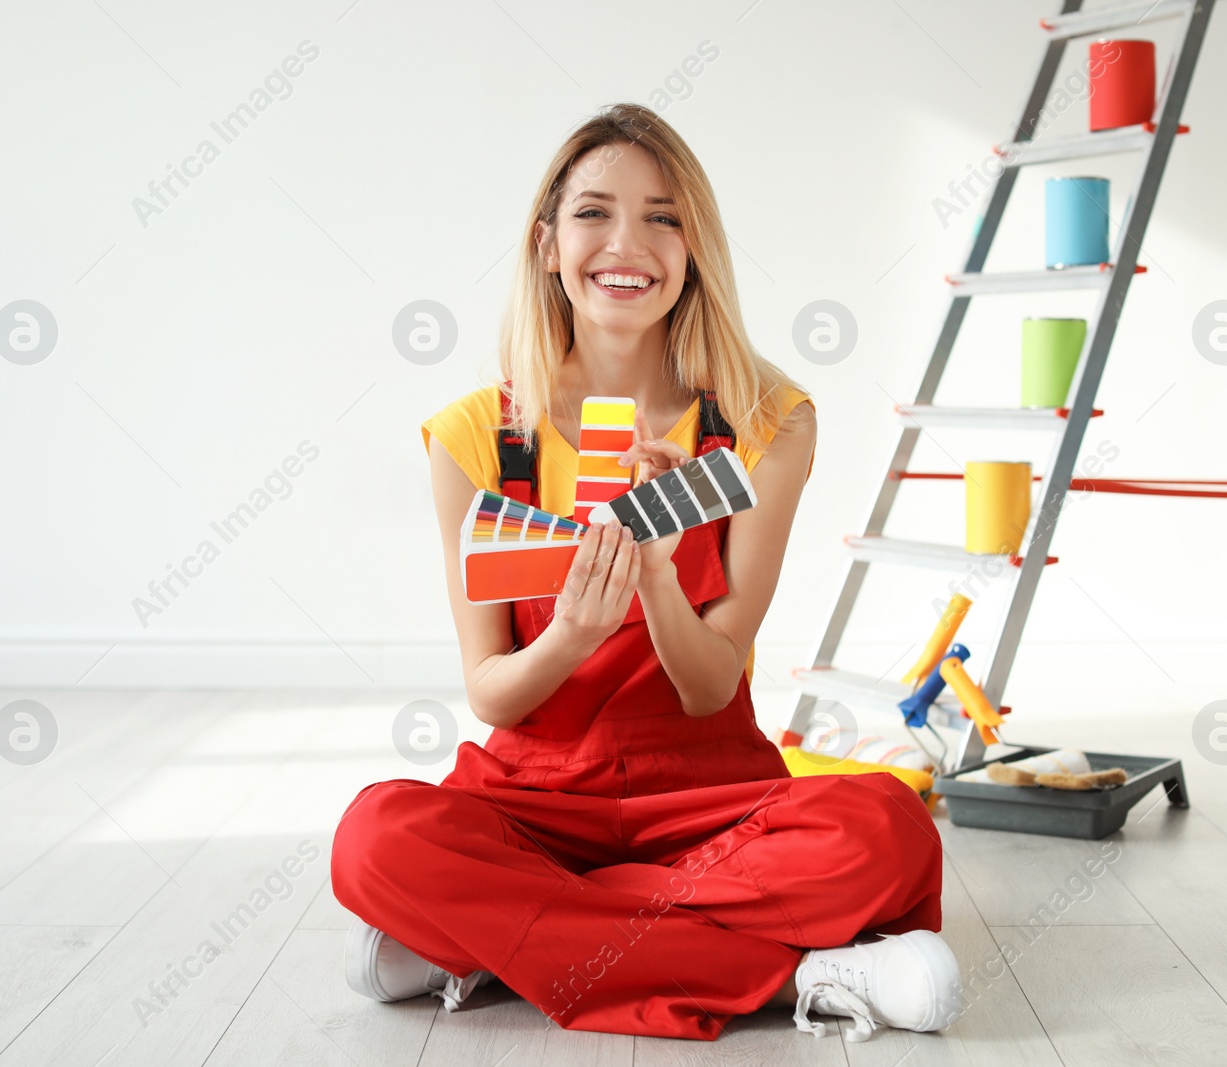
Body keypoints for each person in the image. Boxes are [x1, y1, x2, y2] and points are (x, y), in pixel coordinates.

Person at [329, 103, 962, 1044]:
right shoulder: (475, 438)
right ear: (547, 244)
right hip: (533, 802)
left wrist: (660, 581)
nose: (627, 242)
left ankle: (493, 945)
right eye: (594, 213)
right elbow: (493, 696)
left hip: (713, 800)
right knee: (375, 836)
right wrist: (574, 634)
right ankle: (801, 975)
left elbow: (712, 687)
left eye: (663, 216)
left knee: (887, 827)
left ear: (695, 243)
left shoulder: (767, 425)